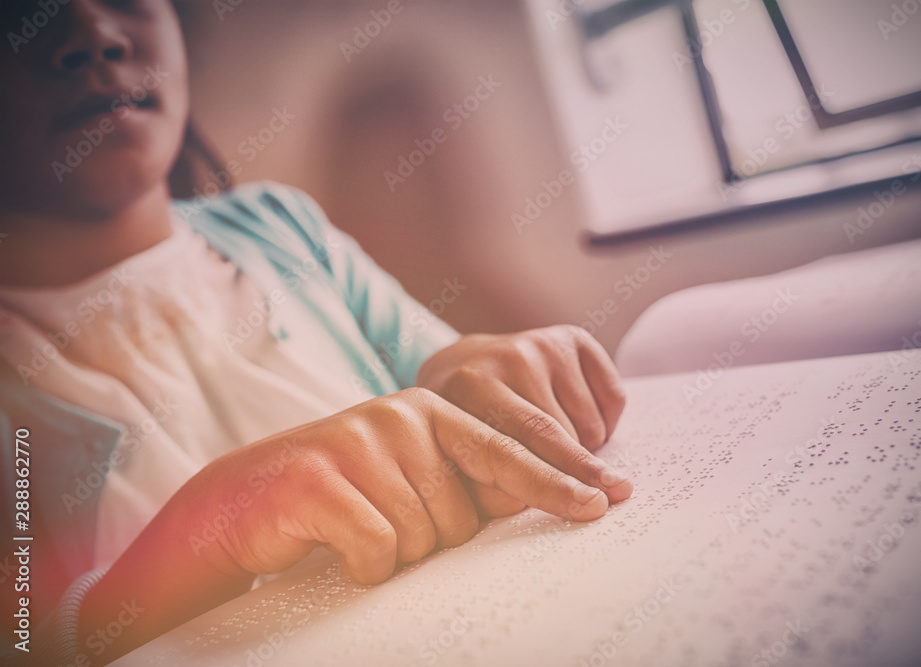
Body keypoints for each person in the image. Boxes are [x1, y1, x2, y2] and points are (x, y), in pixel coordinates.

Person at [0, 1, 633, 664]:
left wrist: (480, 370)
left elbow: (443, 373)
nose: (94, 37)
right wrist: (213, 529)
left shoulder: (284, 228)